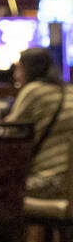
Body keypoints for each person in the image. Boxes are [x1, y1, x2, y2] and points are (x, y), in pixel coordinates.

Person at [6, 46, 73, 199]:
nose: (16, 75)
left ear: (26, 69)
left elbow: (9, 136)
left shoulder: (33, 90)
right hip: (70, 182)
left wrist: (7, 121)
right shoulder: (69, 91)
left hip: (51, 181)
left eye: (18, 69)